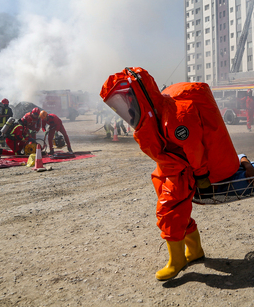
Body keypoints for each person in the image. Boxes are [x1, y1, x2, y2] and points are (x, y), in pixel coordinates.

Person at [101, 67, 240, 281]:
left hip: (182, 170)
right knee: (177, 210)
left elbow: (193, 148)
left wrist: (202, 175)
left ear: (139, 95)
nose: (124, 109)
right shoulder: (151, 117)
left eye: (125, 102)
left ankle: (177, 261)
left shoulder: (175, 115)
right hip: (168, 167)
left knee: (169, 211)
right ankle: (194, 251)